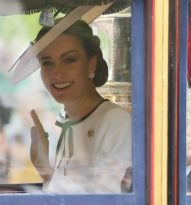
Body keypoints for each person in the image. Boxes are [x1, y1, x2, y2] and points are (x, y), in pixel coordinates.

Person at [28, 19, 132, 193]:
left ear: (91, 64)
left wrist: (48, 172)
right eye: (47, 62)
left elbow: (104, 198)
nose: (57, 73)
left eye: (69, 60)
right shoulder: (67, 120)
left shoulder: (116, 122)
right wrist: (46, 171)